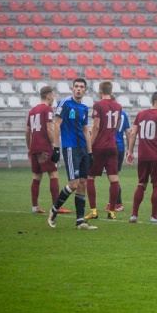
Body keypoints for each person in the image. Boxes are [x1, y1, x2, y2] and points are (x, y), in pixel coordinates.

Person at [47, 78, 96, 230]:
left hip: (83, 149)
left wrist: (90, 152)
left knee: (83, 183)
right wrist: (56, 148)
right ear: (72, 88)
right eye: (76, 86)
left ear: (85, 90)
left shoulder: (84, 108)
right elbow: (56, 125)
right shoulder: (65, 103)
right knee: (74, 184)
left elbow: (85, 130)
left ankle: (80, 221)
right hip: (70, 148)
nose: (79, 89)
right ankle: (54, 209)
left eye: (81, 87)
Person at [126, 90, 157, 223]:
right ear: (156, 102)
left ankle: (134, 215)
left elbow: (133, 134)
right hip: (156, 156)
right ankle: (154, 216)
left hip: (143, 155)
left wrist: (130, 152)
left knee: (141, 184)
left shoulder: (140, 114)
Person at [85, 81, 123, 221]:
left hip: (99, 146)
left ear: (100, 91)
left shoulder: (98, 105)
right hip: (112, 145)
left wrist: (90, 145)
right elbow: (116, 126)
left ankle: (94, 211)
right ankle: (111, 212)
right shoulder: (118, 106)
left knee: (90, 177)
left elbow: (96, 126)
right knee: (114, 179)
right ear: (111, 91)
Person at [26, 85, 62, 214]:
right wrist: (55, 145)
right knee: (53, 174)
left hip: (34, 147)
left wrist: (29, 147)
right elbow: (50, 129)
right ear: (48, 96)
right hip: (44, 147)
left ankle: (35, 207)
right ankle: (56, 206)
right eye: (52, 96)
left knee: (37, 176)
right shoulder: (47, 109)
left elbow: (27, 131)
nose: (53, 98)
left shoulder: (32, 110)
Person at [111, 97, 131, 212]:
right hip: (120, 148)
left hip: (108, 147)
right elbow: (128, 132)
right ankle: (113, 203)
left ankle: (117, 203)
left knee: (112, 177)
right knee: (114, 176)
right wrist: (129, 149)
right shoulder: (123, 114)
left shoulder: (106, 112)